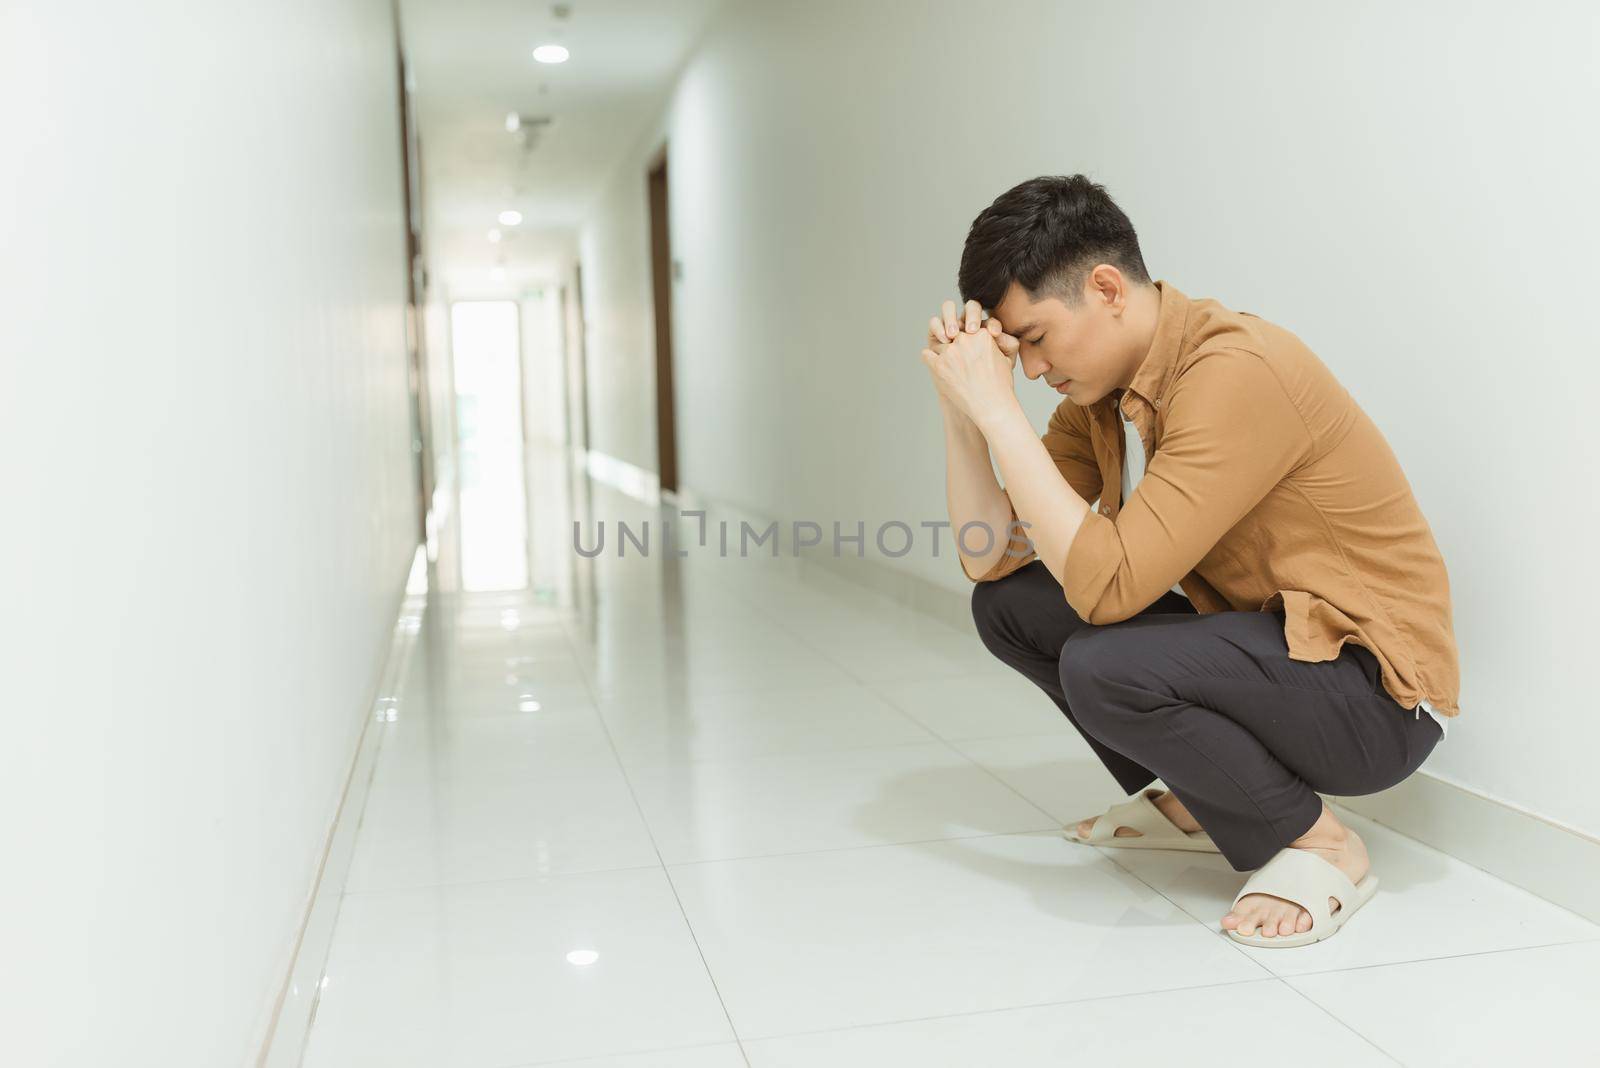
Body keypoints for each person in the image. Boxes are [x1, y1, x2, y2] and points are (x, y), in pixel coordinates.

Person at [920, 174, 1459, 948]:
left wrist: (999, 407)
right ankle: (1202, 800)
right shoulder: (1098, 401)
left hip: (1376, 697)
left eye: (1034, 337)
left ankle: (1321, 844)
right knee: (1013, 609)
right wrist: (964, 410)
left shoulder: (1234, 369)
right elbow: (989, 560)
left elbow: (1108, 591)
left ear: (1105, 287)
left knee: (1105, 662)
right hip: (1277, 656)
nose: (1030, 370)